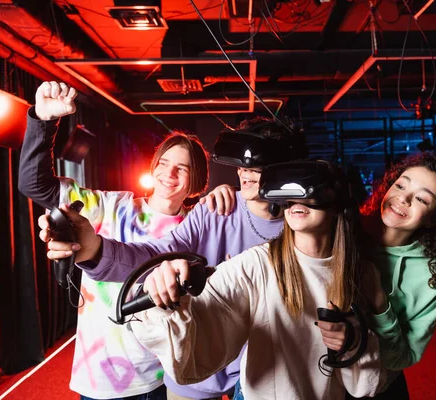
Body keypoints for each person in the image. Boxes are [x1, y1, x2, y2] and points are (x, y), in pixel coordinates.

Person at [36, 115, 309, 400]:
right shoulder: (211, 212)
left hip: (268, 373)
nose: (245, 170)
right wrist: (93, 249)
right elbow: (155, 255)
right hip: (199, 375)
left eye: (258, 162)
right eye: (242, 161)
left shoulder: (305, 223)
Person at [128, 160, 387, 399]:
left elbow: (366, 385)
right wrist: (167, 298)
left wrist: (353, 342)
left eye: (311, 190)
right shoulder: (256, 265)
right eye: (289, 193)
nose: (297, 199)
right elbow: (199, 343)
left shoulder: (361, 273)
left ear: (339, 203)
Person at [18, 81, 209, 400]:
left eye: (182, 169)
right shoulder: (112, 205)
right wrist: (44, 120)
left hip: (158, 376)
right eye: (163, 163)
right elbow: (35, 186)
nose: (169, 174)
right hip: (97, 375)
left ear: (197, 182)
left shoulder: (196, 230)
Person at [350, 152, 436, 399]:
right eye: (400, 185)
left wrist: (380, 305)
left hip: (379, 387)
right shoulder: (343, 230)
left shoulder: (430, 277)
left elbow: (403, 358)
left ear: (434, 219)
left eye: (421, 199)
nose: (403, 198)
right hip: (319, 380)